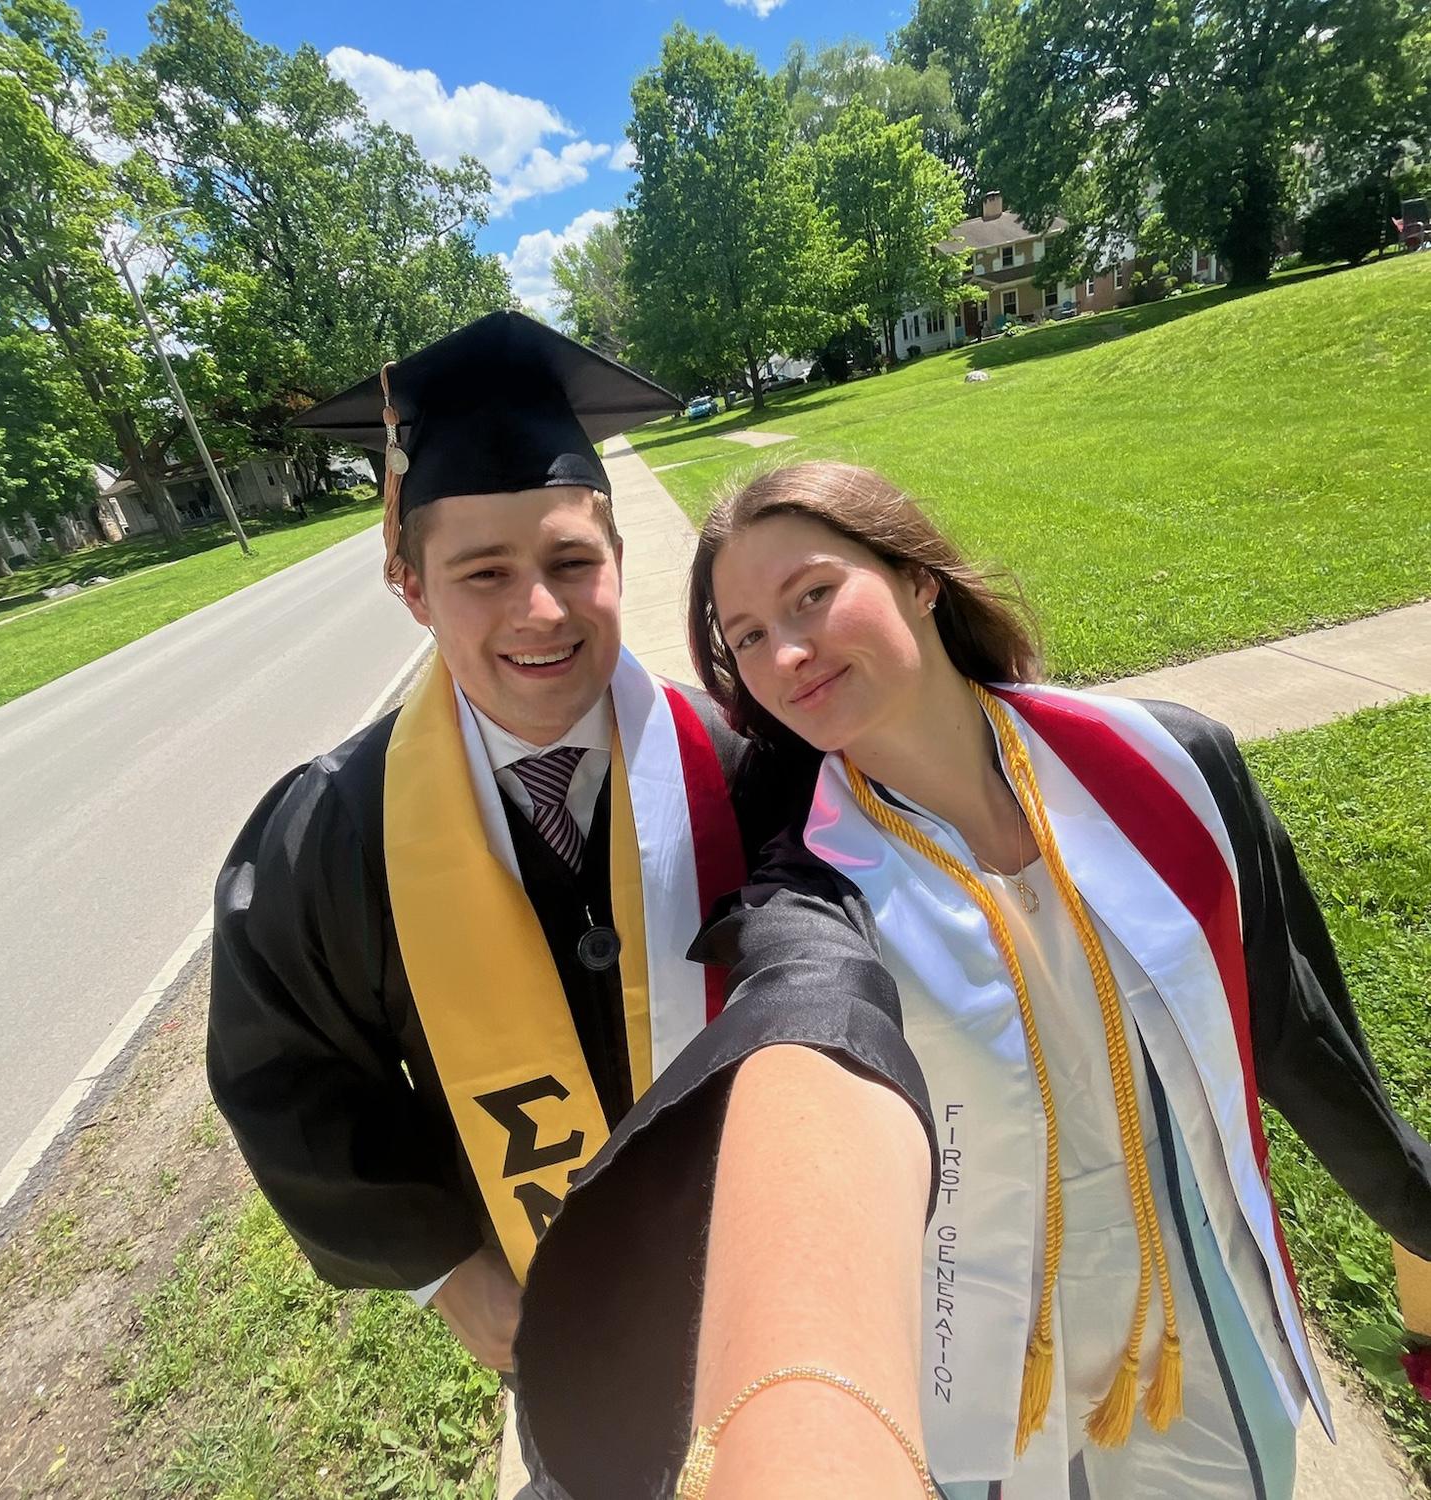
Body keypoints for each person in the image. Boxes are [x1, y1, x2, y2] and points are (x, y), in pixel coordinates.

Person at [513, 460, 1431, 1499]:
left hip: (1206, 1348)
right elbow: (806, 1056)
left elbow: (1295, 1037)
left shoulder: (1173, 769)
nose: (789, 653)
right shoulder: (818, 891)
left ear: (918, 577)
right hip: (990, 1398)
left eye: (812, 594)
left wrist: (1421, 1218)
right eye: (749, 637)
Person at [206, 321, 929, 1497]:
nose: (541, 611)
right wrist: (445, 1269)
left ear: (617, 560)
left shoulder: (746, 763)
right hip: (560, 1329)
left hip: (774, 1280)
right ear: (409, 587)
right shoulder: (330, 836)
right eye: (483, 573)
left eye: (572, 561)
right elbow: (285, 1073)